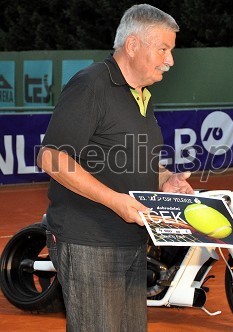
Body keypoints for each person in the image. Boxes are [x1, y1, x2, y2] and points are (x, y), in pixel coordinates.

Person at [37, 4, 193, 331]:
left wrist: (166, 179)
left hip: (132, 241)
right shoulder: (91, 84)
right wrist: (115, 201)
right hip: (89, 242)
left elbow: (136, 159)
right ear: (133, 45)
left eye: (171, 50)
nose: (171, 60)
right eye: (163, 49)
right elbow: (52, 157)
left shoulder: (141, 96)